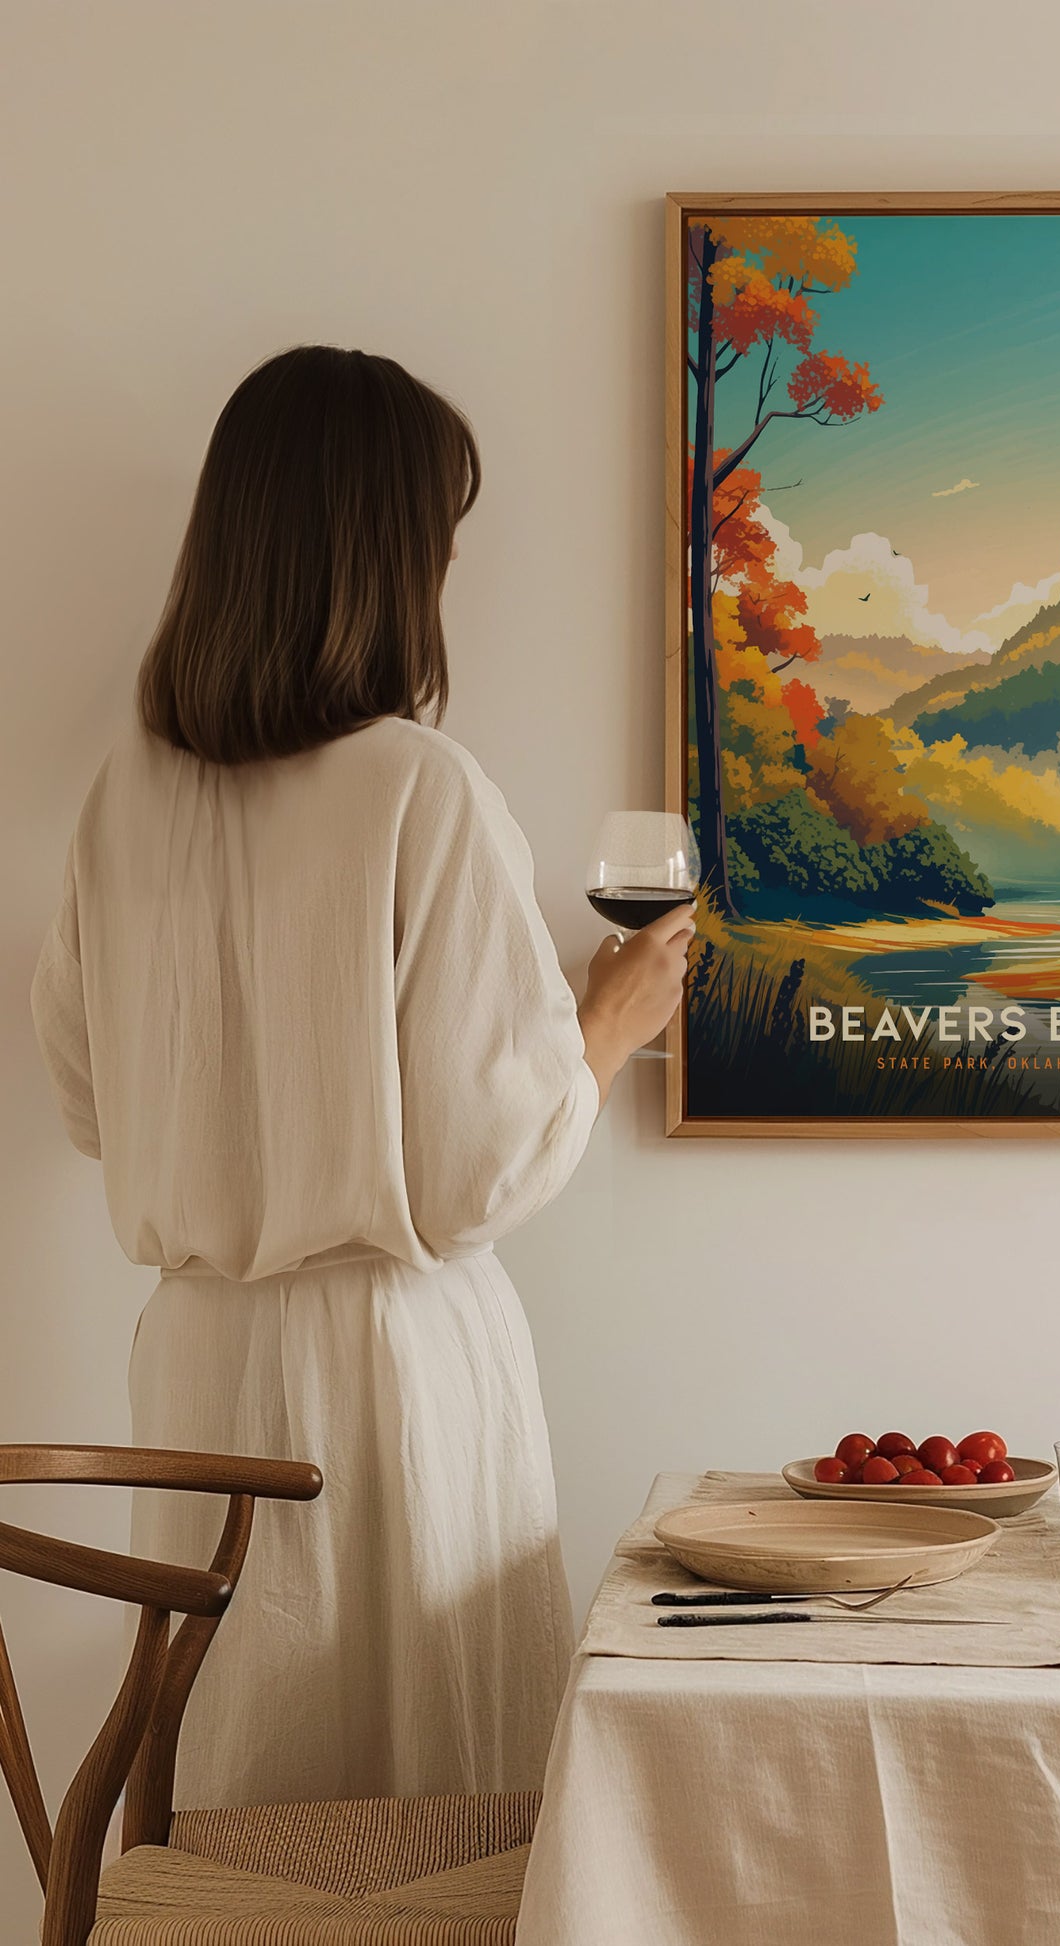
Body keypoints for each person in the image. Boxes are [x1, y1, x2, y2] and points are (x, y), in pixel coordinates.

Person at [29, 345, 692, 1806]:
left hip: (196, 1363)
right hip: (391, 1373)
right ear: (387, 555)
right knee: (424, 1812)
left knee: (240, 1794)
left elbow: (87, 1099)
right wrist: (607, 1021)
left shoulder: (122, 797)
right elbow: (474, 1173)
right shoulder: (418, 786)